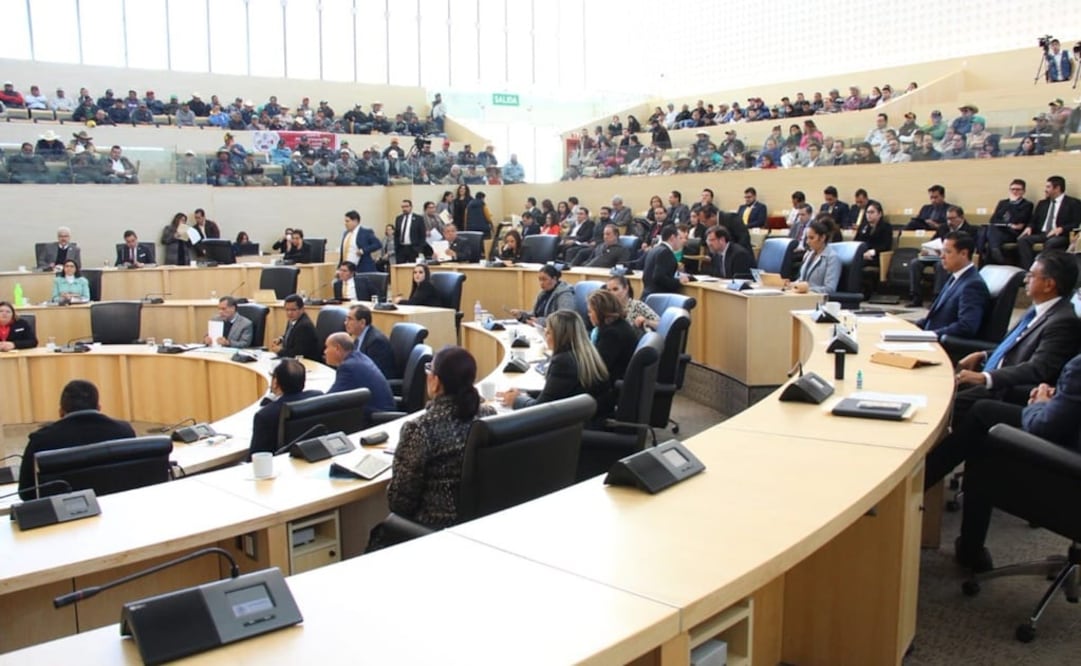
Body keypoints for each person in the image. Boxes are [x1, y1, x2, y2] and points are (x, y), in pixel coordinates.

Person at [953, 352, 1081, 572]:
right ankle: (969, 550)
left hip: (1069, 481)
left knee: (986, 439)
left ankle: (970, 549)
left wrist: (1040, 404)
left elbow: (1043, 428)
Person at [942, 250, 1080, 436]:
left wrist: (985, 378)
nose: (1025, 280)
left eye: (1031, 276)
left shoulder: (1063, 321)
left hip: (1006, 388)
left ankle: (931, 463)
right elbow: (1013, 346)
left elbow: (1038, 368)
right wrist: (983, 355)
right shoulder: (1037, 309)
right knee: (935, 388)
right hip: (993, 376)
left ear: (1049, 284)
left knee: (943, 406)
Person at [383, 346, 496, 534]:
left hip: (432, 528)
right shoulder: (488, 415)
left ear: (436, 382)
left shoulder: (420, 428)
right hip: (480, 523)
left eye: (430, 370)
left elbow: (399, 502)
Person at [18, 379, 137, 499]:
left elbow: (26, 492)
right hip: (118, 508)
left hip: (66, 514)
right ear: (99, 407)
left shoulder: (41, 440)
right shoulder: (124, 431)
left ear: (61, 412)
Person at [500, 310, 610, 416]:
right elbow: (555, 394)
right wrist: (524, 393)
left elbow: (540, 411)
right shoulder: (585, 354)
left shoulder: (563, 362)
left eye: (548, 332)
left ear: (560, 336)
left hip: (575, 428)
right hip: (591, 418)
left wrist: (516, 400)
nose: (545, 336)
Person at [914, 232, 989, 340]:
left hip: (941, 346)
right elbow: (934, 317)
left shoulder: (973, 285)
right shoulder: (955, 276)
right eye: (942, 251)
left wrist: (931, 335)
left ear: (963, 254)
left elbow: (966, 326)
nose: (942, 256)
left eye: (947, 252)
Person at [248, 359, 322, 458]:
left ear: (275, 382)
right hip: (312, 456)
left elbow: (255, 457)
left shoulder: (265, 415)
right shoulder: (318, 397)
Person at [1017, 175, 1081, 268]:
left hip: (1060, 235)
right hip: (1042, 234)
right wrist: (1029, 227)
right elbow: (1033, 220)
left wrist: (1062, 228)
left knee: (1051, 243)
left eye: (1048, 187)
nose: (1045, 189)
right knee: (1023, 240)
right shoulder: (1042, 203)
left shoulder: (1073, 203)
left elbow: (1076, 223)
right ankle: (1029, 269)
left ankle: (1044, 268)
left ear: (1057, 188)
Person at [322, 333, 395, 415]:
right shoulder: (359, 357)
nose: (325, 352)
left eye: (327, 347)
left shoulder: (348, 367)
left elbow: (329, 400)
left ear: (337, 348)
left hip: (375, 419)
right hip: (381, 410)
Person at [588, 289, 637, 385]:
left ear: (601, 312)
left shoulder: (611, 334)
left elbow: (597, 368)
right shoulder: (619, 324)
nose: (588, 315)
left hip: (609, 388)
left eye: (590, 312)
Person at [788, 221, 839, 295]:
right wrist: (791, 284)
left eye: (811, 238)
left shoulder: (832, 258)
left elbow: (830, 289)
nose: (808, 242)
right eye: (807, 238)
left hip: (816, 299)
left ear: (822, 238)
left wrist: (808, 289)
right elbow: (801, 280)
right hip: (802, 296)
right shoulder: (808, 254)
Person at [346, 304, 394, 378]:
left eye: (350, 319)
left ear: (362, 323)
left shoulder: (376, 342)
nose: (345, 323)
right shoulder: (358, 338)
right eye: (346, 319)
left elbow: (372, 373)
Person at [642, 226, 690, 299]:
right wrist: (678, 282)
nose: (680, 241)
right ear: (672, 237)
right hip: (659, 298)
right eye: (679, 238)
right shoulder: (665, 252)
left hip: (648, 295)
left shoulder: (654, 250)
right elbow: (659, 277)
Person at [269, 294, 321, 361]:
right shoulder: (293, 320)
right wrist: (281, 339)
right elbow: (291, 335)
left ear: (302, 309)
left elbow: (297, 354)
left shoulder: (304, 326)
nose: (289, 313)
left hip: (306, 363)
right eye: (287, 310)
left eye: (293, 310)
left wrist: (280, 351)